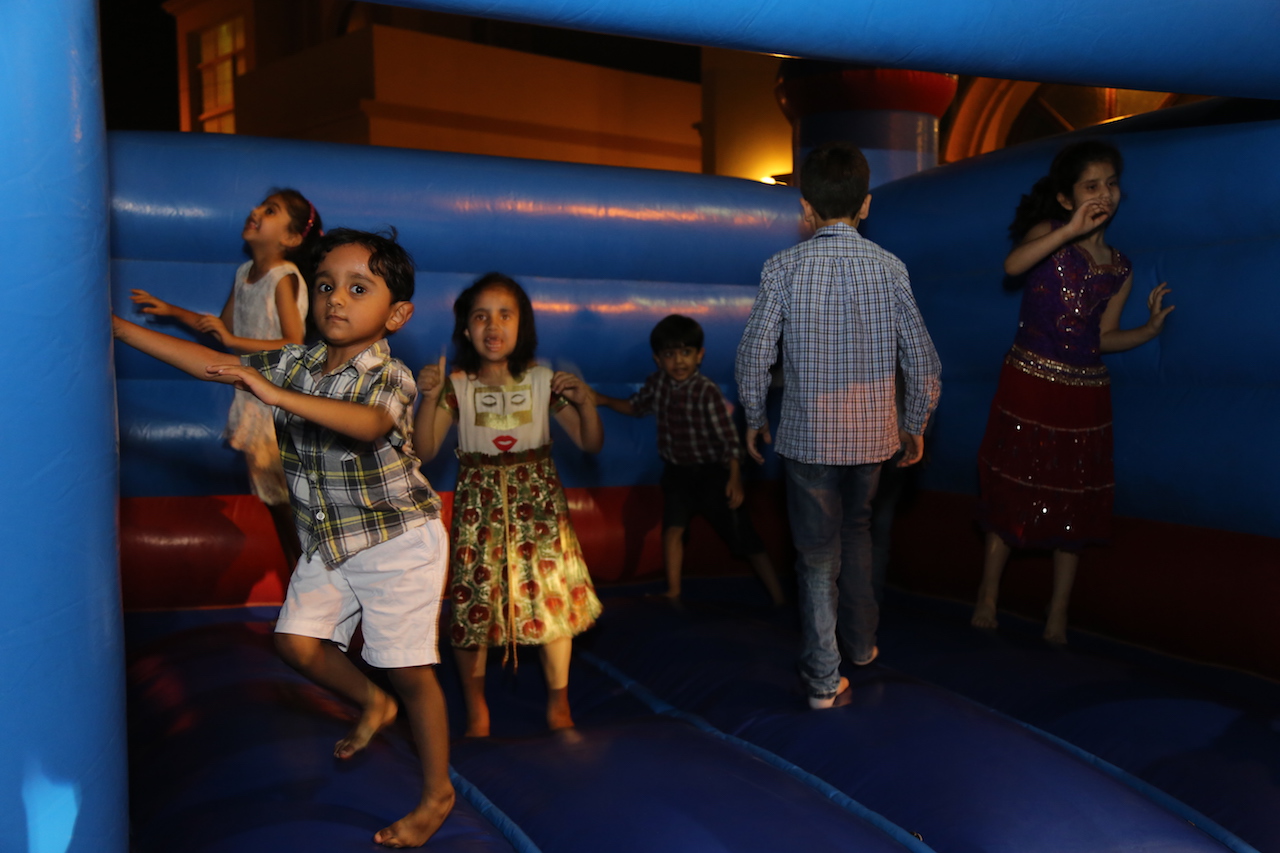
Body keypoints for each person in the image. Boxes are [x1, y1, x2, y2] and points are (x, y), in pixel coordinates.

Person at [114, 228, 454, 848]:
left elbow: (368, 423)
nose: (335, 298)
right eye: (325, 286)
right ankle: (373, 703)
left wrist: (274, 394)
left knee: (408, 669)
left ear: (397, 315)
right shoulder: (297, 363)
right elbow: (211, 364)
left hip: (397, 540)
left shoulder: (389, 376)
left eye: (358, 289)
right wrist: (120, 329)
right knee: (295, 644)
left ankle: (437, 795)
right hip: (331, 537)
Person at [735, 142, 941, 710]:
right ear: (866, 205)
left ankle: (824, 679)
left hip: (808, 439)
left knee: (816, 556)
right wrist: (915, 422)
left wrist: (754, 416)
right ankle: (863, 644)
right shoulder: (891, 268)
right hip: (873, 438)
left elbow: (753, 357)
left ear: (805, 208)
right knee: (858, 530)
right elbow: (924, 362)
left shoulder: (782, 268)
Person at [970, 140, 1173, 645]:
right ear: (1067, 198)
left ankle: (1057, 612)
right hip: (1029, 380)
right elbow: (1013, 267)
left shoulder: (1120, 267)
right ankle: (988, 596)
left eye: (1111, 184)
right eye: (1091, 186)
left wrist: (1148, 331)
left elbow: (1103, 337)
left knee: (1075, 496)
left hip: (1085, 391)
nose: (1104, 194)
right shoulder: (1050, 235)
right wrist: (1069, 231)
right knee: (1016, 484)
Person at [414, 273, 604, 738]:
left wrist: (586, 405)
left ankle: (559, 702)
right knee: (472, 600)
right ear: (466, 329)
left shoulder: (543, 382)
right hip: (478, 506)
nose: (493, 326)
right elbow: (425, 449)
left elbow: (590, 443)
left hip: (538, 506)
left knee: (550, 596)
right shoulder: (457, 385)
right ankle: (476, 708)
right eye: (481, 317)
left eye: (504, 315)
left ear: (522, 326)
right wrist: (429, 399)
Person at [128, 189, 323, 567]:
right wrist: (172, 311)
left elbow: (293, 343)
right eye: (260, 205)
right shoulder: (244, 273)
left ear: (291, 237)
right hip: (252, 405)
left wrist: (233, 343)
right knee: (275, 504)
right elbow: (221, 328)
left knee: (288, 508)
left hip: (277, 405)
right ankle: (299, 582)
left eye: (270, 210)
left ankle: (311, 584)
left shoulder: (284, 277)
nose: (256, 211)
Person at [597, 314, 785, 604]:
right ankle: (673, 591)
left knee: (744, 536)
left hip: (713, 474)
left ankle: (778, 595)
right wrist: (604, 400)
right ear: (658, 360)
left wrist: (735, 477)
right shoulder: (658, 384)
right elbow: (636, 406)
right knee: (672, 529)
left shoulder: (706, 391)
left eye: (686, 352)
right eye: (670, 354)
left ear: (699, 355)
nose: (678, 361)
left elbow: (728, 439)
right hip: (677, 473)